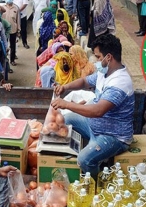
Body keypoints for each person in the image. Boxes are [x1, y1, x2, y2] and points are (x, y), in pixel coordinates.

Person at [51, 34, 135, 179]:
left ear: (108, 57)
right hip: (93, 126)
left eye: (98, 57)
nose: (96, 60)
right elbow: (84, 82)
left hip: (113, 136)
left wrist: (66, 104)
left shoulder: (120, 82)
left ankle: (96, 184)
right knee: (65, 119)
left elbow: (97, 111)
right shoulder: (105, 73)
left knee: (84, 160)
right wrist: (65, 87)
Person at [3, 0, 21, 67]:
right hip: (4, 31)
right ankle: (5, 60)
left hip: (13, 29)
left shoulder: (16, 8)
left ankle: (12, 60)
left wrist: (18, 30)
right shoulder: (2, 7)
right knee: (5, 46)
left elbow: (18, 20)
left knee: (13, 46)